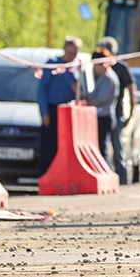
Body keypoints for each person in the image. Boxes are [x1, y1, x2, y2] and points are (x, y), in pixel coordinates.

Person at [36, 35, 82, 175]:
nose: (72, 56)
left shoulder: (75, 67)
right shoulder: (53, 63)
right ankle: (45, 175)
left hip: (68, 112)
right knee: (49, 146)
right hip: (53, 110)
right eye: (70, 53)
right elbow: (41, 89)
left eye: (75, 53)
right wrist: (44, 112)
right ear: (64, 49)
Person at [98, 36, 136, 184]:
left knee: (118, 149)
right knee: (103, 148)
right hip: (101, 114)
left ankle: (122, 180)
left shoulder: (121, 68)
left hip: (117, 113)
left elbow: (132, 90)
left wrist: (130, 113)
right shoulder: (97, 65)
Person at [84, 48, 121, 176]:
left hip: (105, 117)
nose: (95, 69)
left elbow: (100, 98)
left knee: (103, 147)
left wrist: (89, 102)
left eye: (96, 65)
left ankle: (106, 172)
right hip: (102, 116)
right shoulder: (102, 78)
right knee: (100, 147)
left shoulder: (109, 78)